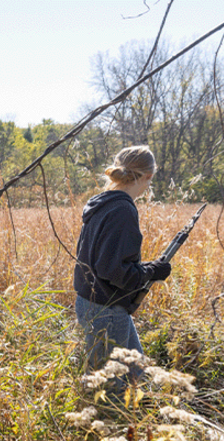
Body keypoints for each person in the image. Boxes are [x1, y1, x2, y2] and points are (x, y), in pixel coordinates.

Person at [74, 145, 172, 379]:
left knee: (136, 372)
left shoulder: (103, 202)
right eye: (150, 181)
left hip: (93, 302)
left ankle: (135, 412)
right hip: (106, 309)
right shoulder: (122, 209)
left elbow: (105, 261)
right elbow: (113, 270)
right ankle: (109, 415)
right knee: (111, 386)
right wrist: (151, 272)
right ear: (148, 176)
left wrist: (148, 270)